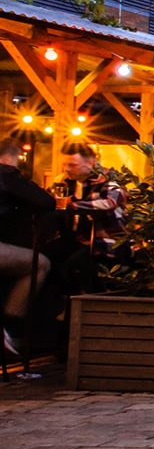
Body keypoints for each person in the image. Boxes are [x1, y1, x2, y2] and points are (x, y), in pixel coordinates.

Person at [49, 142, 128, 295]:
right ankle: (61, 302)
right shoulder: (63, 181)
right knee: (45, 257)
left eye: (72, 165)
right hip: (75, 237)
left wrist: (73, 204)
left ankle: (82, 301)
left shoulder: (108, 179)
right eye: (65, 164)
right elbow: (50, 200)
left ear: (90, 162)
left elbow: (110, 202)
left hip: (105, 239)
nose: (67, 169)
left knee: (78, 263)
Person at [0, 139, 55, 355]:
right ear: (9, 157)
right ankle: (9, 329)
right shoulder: (6, 173)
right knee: (40, 264)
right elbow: (46, 202)